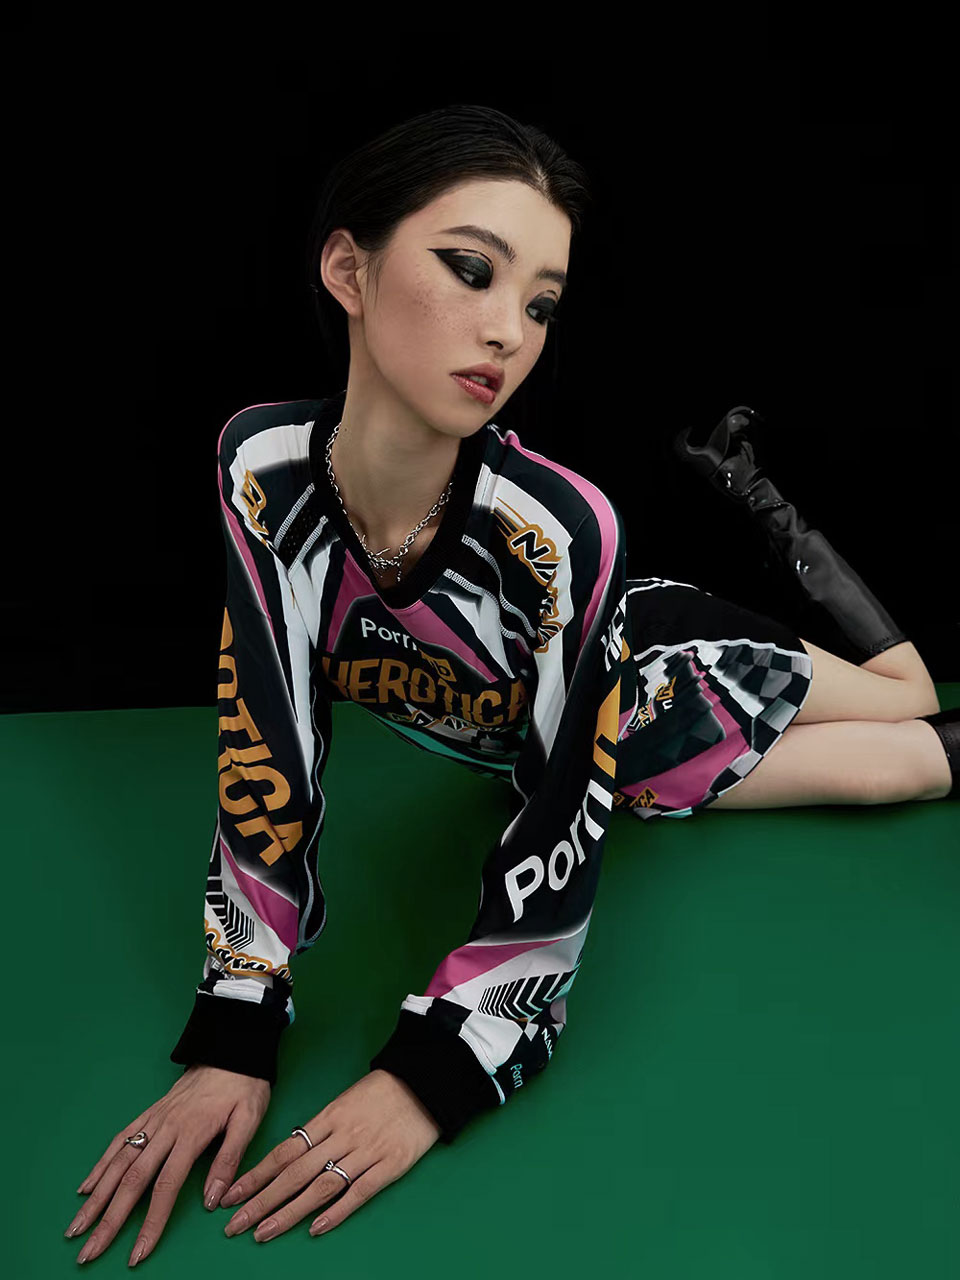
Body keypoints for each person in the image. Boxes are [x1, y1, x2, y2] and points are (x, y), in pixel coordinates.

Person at [65, 103, 960, 1267]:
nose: (507, 331)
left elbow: (554, 827)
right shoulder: (261, 468)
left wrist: (442, 1061)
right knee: (902, 751)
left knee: (909, 717)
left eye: (540, 304)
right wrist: (238, 1019)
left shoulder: (555, 527)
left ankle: (765, 505)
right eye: (472, 270)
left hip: (665, 666)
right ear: (348, 268)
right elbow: (267, 737)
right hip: (597, 761)